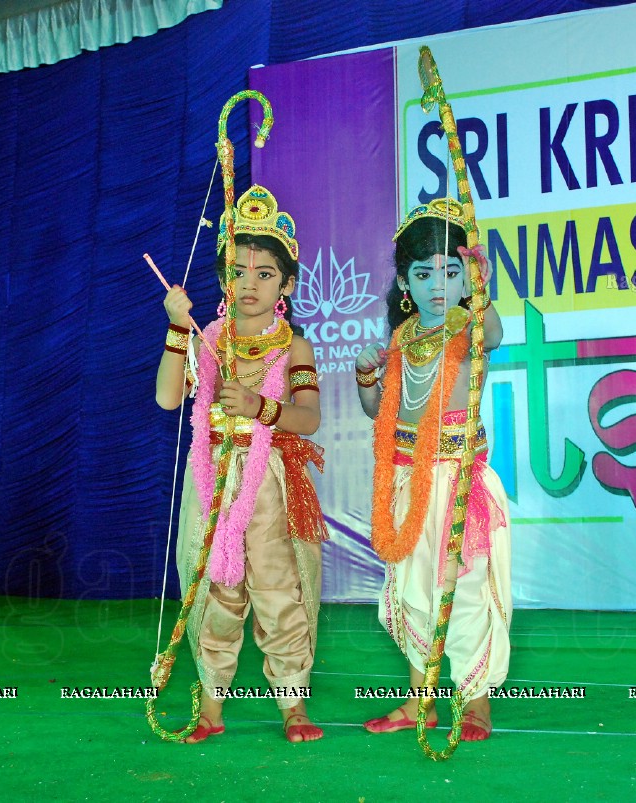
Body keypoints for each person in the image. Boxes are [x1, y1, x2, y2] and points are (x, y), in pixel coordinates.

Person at [155, 185, 328, 740]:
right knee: (217, 593)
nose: (248, 285)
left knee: (279, 594)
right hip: (213, 483)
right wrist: (178, 329)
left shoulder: (292, 347)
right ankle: (210, 709)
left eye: (265, 274)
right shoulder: (208, 340)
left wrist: (259, 407)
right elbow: (165, 399)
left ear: (288, 285)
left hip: (269, 487)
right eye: (238, 272)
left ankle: (293, 707)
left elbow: (308, 419)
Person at [354, 198, 510, 740]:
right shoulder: (402, 339)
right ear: (404, 281)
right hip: (403, 478)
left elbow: (494, 335)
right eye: (423, 273)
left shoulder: (469, 327)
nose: (437, 285)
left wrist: (484, 284)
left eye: (450, 271)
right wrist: (366, 377)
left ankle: (477, 703)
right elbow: (380, 416)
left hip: (457, 480)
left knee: (461, 592)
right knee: (410, 591)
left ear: (467, 279)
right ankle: (419, 700)